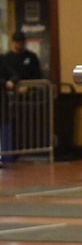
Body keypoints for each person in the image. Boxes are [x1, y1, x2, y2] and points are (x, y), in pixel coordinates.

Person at [1, 30, 44, 163]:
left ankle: (10, 154)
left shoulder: (31, 57)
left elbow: (15, 75)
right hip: (8, 97)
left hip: (26, 97)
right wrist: (5, 83)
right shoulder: (7, 57)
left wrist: (14, 83)